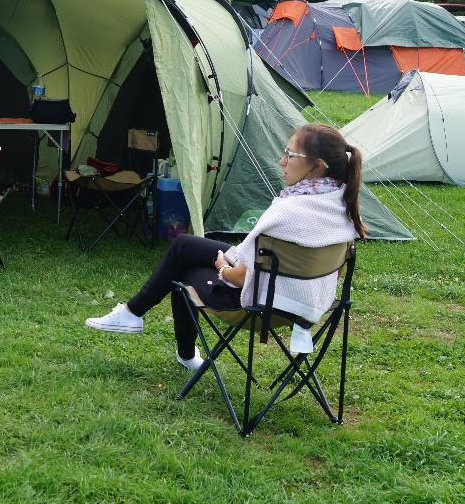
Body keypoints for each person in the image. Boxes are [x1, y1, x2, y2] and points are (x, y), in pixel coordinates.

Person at [84, 124, 365, 370]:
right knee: (184, 245)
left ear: (317, 166)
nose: (282, 162)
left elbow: (241, 277)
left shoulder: (289, 211)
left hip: (261, 303)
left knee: (183, 268)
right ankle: (134, 315)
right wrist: (232, 262)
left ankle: (155, 331)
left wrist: (222, 268)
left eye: (291, 155)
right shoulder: (340, 205)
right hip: (306, 304)